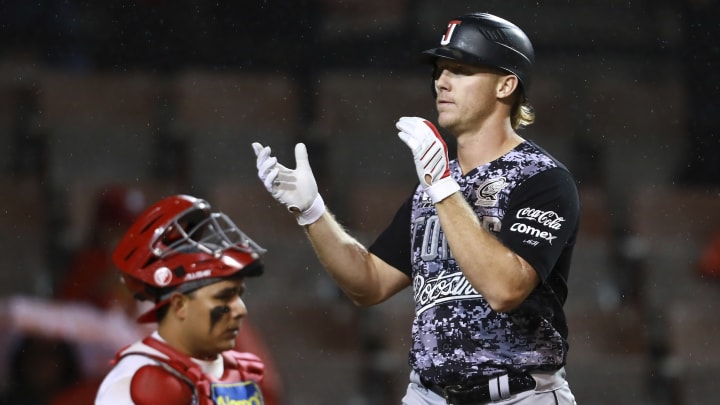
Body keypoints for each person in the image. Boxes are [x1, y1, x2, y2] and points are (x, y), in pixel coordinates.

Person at [252, 12, 580, 405]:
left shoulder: (542, 179)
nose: (441, 81)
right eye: (440, 70)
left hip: (518, 395)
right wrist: (313, 213)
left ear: (506, 84)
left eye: (460, 70)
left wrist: (441, 186)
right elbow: (369, 283)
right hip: (428, 395)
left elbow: (504, 290)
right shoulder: (433, 182)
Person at [95, 194, 269, 405]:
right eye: (224, 296)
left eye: (239, 295)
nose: (241, 309)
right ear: (179, 305)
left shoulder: (238, 372)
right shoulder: (131, 381)